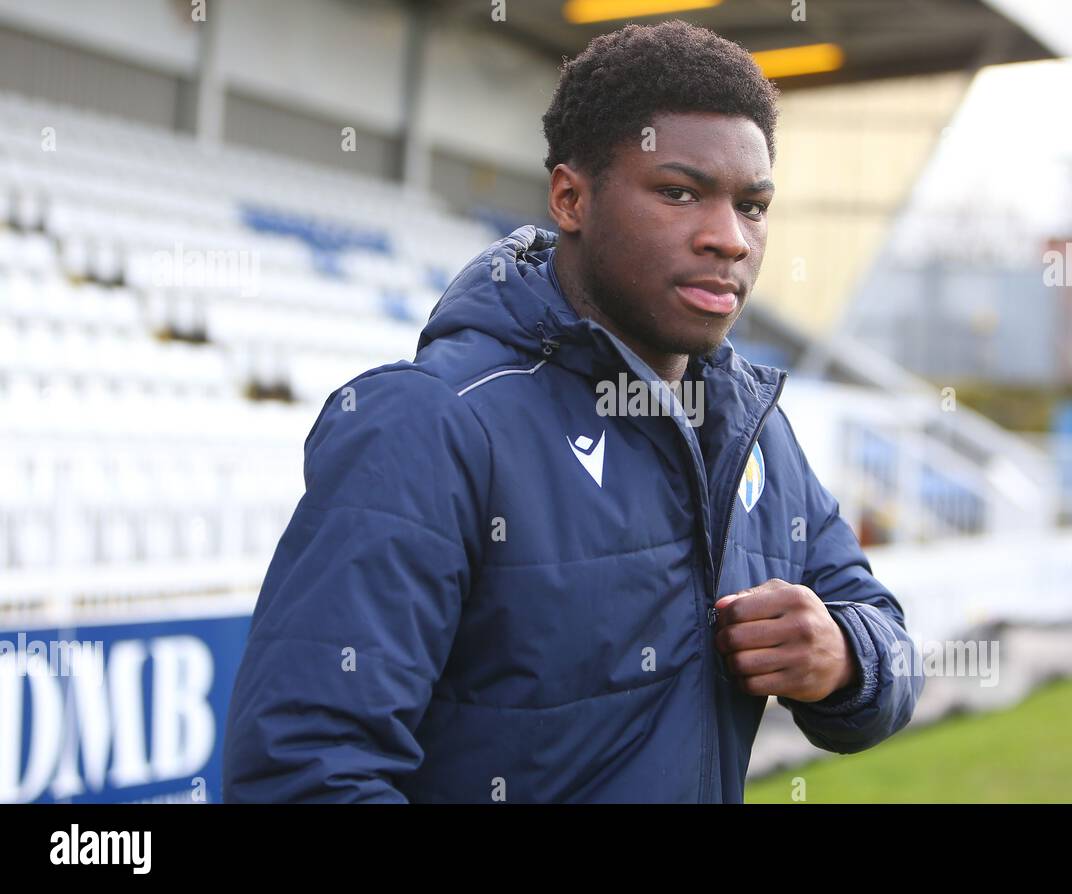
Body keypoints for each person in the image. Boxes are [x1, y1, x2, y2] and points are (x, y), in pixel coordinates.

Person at [223, 19, 923, 804]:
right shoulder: (428, 425)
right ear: (570, 199)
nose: (729, 239)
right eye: (680, 193)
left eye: (753, 207)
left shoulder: (751, 432)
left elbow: (889, 642)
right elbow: (304, 772)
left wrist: (845, 657)